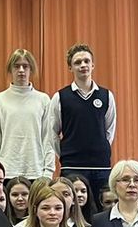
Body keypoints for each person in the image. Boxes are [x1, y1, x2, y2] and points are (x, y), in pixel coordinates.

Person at [47, 44, 116, 201]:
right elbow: (52, 132)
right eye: (78, 62)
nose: (83, 65)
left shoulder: (106, 96)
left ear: (93, 65)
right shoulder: (60, 97)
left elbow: (109, 130)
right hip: (72, 166)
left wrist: (99, 148)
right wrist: (66, 153)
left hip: (101, 167)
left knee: (101, 207)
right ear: (70, 67)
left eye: (86, 61)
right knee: (72, 207)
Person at [0, 49, 53, 181]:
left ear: (31, 69)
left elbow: (48, 139)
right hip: (6, 172)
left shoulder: (43, 100)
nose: (21, 70)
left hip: (37, 172)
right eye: (17, 66)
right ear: (10, 69)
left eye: (25, 66)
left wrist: (48, 172)